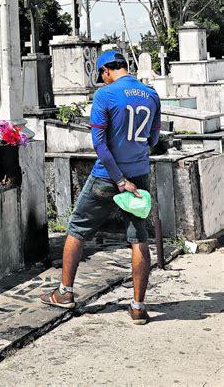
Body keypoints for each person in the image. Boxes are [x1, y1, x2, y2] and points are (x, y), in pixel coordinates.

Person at [40, 50, 161, 325]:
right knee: (138, 238)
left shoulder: (105, 96)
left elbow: (100, 144)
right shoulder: (151, 94)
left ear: (106, 70)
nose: (103, 80)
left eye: (102, 75)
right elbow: (153, 139)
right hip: (139, 174)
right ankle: (139, 307)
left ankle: (65, 293)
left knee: (76, 228)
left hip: (108, 177)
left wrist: (119, 179)